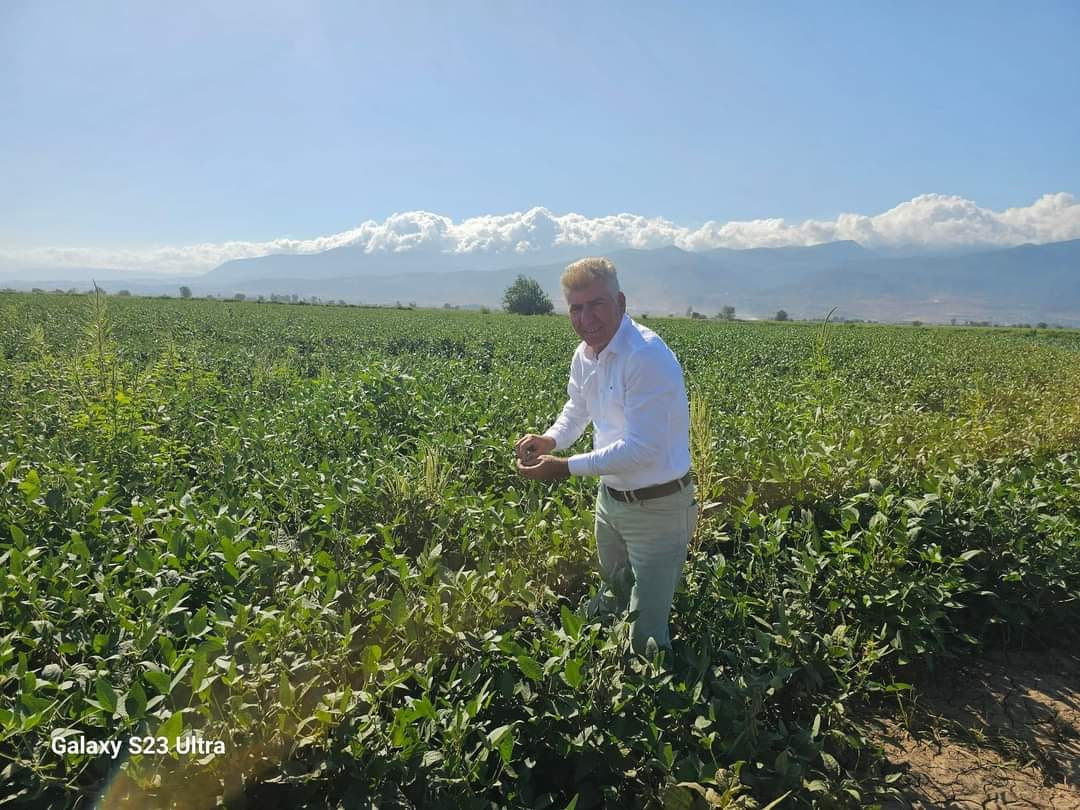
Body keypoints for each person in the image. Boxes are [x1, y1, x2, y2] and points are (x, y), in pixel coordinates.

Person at [515, 257, 696, 657]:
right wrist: (550, 440)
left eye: (595, 304)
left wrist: (563, 468)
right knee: (614, 596)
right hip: (611, 501)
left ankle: (653, 702)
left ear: (621, 302)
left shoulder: (644, 356)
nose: (585, 317)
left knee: (645, 633)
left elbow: (642, 448)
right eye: (576, 308)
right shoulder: (586, 354)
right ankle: (602, 681)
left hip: (660, 508)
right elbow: (577, 408)